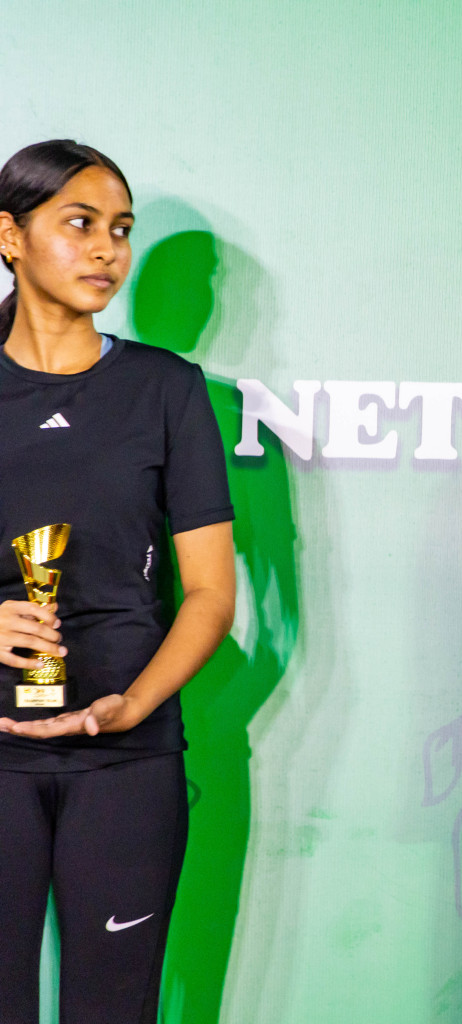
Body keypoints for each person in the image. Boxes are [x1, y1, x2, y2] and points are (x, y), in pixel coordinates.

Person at [0, 140, 235, 1022]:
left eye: (121, 230)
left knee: (115, 1008)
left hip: (126, 760)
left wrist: (131, 707)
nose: (106, 249)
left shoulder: (167, 391)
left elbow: (212, 595)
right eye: (80, 224)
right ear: (10, 237)